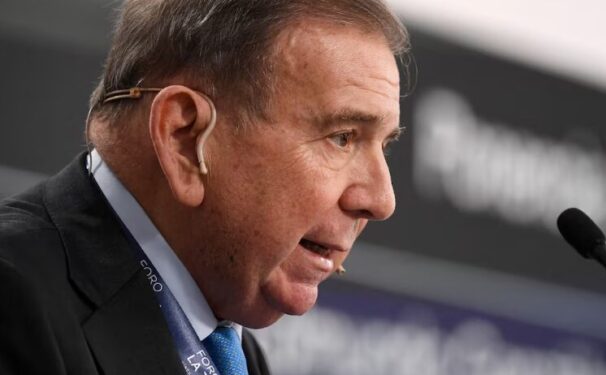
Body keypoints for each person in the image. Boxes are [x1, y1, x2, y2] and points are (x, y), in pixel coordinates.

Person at [0, 0, 410, 374]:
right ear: (185, 140)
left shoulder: (235, 356)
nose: (381, 200)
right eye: (342, 137)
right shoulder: (15, 301)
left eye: (384, 146)